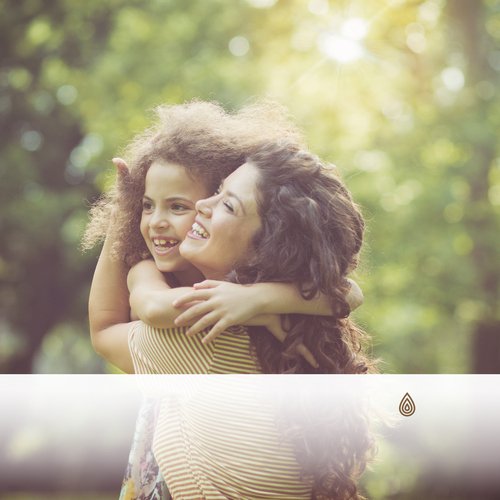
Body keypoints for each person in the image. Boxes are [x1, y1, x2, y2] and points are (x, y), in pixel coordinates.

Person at [82, 101, 365, 499]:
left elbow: (105, 328)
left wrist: (126, 235)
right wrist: (263, 297)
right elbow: (345, 293)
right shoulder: (293, 321)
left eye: (225, 201)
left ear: (268, 245)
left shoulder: (206, 331)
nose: (203, 206)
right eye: (146, 206)